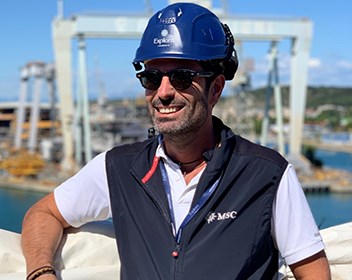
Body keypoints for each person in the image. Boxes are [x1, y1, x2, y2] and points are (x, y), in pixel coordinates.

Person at [22, 2, 331, 279]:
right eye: (152, 78)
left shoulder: (267, 175)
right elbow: (43, 213)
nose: (164, 91)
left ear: (215, 89)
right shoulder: (118, 169)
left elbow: (314, 273)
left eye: (182, 77)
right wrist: (41, 272)